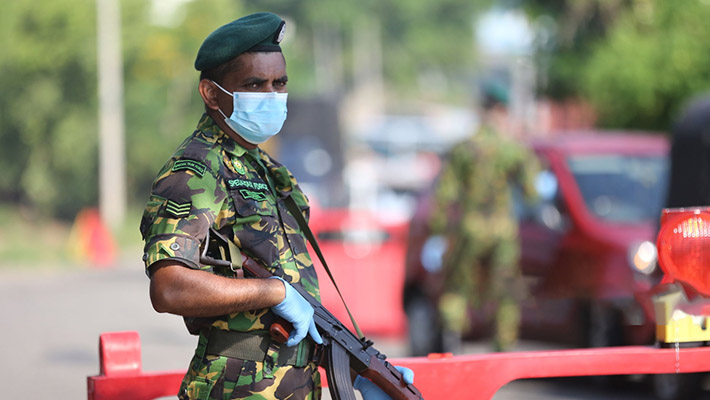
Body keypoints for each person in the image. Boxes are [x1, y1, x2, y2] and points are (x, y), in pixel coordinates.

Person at [139, 12, 411, 400]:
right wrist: (274, 293)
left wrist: (359, 371)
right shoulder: (197, 170)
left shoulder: (270, 171)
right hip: (234, 388)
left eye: (279, 83)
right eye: (254, 84)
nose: (271, 95)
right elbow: (169, 288)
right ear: (211, 93)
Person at [429, 81, 539, 353]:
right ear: (502, 111)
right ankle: (503, 347)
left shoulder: (464, 149)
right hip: (503, 230)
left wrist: (438, 232)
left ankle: (452, 339)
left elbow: (445, 195)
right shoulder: (513, 149)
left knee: (456, 288)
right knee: (505, 292)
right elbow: (532, 193)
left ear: (483, 110)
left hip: (469, 228)